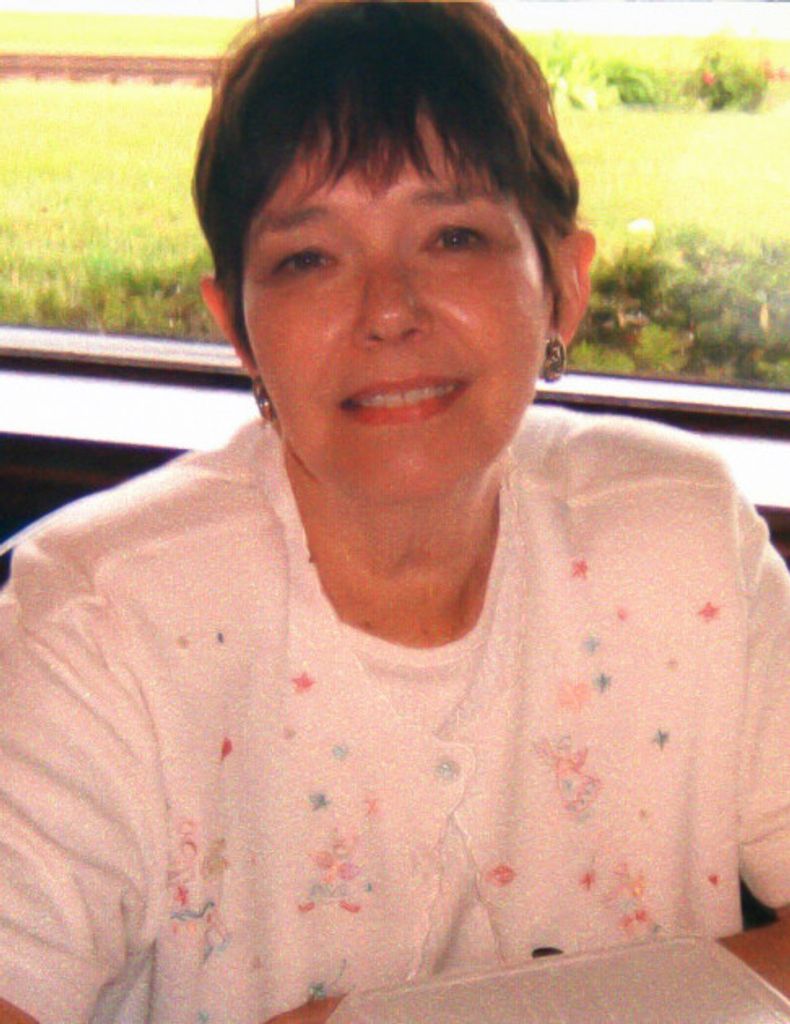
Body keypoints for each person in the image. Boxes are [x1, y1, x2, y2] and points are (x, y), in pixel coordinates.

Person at [1, 3, 788, 1023]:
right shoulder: (99, 621)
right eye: (308, 258)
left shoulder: (683, 541)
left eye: (453, 238)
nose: (387, 310)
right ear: (236, 328)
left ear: (565, 284)